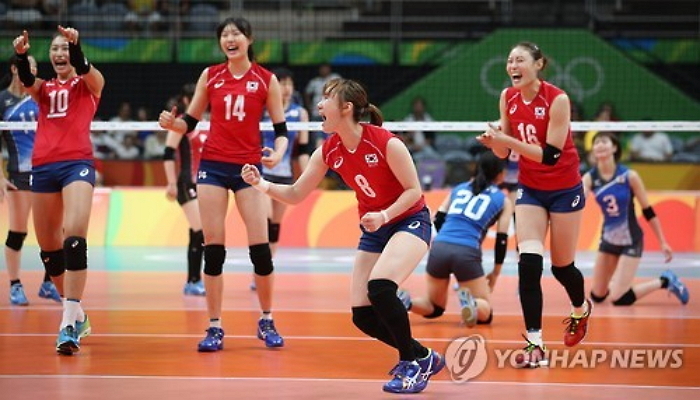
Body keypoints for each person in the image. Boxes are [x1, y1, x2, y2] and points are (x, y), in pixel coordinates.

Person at [241, 78, 444, 394]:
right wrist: (261, 184)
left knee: (380, 288)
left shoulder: (386, 143)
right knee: (362, 316)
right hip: (375, 230)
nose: (319, 105)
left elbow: (413, 191)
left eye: (326, 99)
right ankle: (423, 355)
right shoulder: (327, 151)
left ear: (346, 108)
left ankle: (412, 364)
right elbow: (295, 193)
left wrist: (384, 215)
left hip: (409, 221)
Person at [158, 17, 289, 351]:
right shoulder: (210, 75)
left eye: (236, 34)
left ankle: (267, 319)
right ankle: (214, 326)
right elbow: (190, 120)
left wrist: (276, 155)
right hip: (213, 167)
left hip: (248, 170)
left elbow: (281, 130)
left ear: (249, 39)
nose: (230, 39)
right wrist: (174, 124)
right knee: (213, 249)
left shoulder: (265, 79)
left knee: (260, 249)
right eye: (225, 35)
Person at [477, 41, 592, 368]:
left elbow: (551, 154)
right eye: (510, 60)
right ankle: (535, 344)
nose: (513, 65)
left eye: (520, 60)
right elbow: (504, 155)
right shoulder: (507, 97)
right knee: (528, 264)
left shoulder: (557, 99)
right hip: (531, 188)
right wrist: (493, 143)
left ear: (539, 64)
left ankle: (580, 310)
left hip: (565, 188)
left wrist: (506, 141)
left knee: (561, 266)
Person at [13, 25, 105, 355]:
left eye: (64, 48)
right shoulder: (45, 89)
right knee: (49, 250)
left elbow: (86, 71)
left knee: (74, 237)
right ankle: (77, 314)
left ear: (74, 52)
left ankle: (67, 323)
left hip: (77, 164)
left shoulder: (90, 84)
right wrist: (22, 54)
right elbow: (26, 81)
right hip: (43, 167)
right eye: (54, 49)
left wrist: (76, 47)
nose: (59, 53)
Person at [397, 152, 513, 327]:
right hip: (466, 251)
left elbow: (438, 219)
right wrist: (496, 272)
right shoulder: (502, 200)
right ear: (500, 174)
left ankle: (407, 302)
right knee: (485, 313)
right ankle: (473, 305)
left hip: (440, 246)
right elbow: (501, 239)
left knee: (434, 306)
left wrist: (443, 243)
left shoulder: (458, 189)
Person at [583, 131, 689, 306]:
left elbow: (648, 211)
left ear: (614, 147)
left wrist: (663, 242)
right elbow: (579, 197)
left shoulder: (629, 176)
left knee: (619, 299)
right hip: (609, 240)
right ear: (593, 150)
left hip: (631, 240)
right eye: (596, 143)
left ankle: (665, 281)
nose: (599, 145)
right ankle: (619, 283)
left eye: (604, 141)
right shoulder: (590, 178)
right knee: (597, 296)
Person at [0, 54, 62, 306]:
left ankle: (49, 283)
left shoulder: (40, 95)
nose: (33, 70)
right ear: (15, 68)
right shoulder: (3, 100)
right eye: (28, 66)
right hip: (17, 174)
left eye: (35, 68)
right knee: (18, 231)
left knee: (54, 231)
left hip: (45, 171)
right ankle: (15, 285)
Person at [250, 67, 311, 291]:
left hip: (285, 175)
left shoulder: (300, 113)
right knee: (264, 220)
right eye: (281, 83)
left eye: (289, 83)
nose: (285, 88)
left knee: (275, 225)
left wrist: (306, 177)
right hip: (263, 173)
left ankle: (267, 266)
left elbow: (303, 149)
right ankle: (259, 268)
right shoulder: (262, 110)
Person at [162, 83, 207, 296]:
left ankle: (192, 280)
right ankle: (193, 281)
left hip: (205, 183)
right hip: (186, 183)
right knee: (201, 230)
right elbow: (168, 152)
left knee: (197, 232)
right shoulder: (182, 122)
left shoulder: (207, 123)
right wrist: (171, 183)